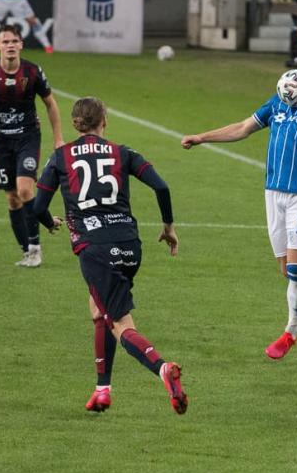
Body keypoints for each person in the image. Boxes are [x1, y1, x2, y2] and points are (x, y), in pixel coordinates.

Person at [180, 59, 297, 360]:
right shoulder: (281, 101)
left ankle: (291, 332)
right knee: (288, 270)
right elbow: (243, 128)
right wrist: (202, 137)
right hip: (273, 192)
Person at [32, 96, 188, 414]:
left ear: (76, 123)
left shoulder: (61, 156)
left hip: (95, 249)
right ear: (105, 120)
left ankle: (162, 368)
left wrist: (50, 223)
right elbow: (162, 187)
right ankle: (102, 390)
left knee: (118, 322)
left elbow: (37, 207)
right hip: (129, 245)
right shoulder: (123, 152)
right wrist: (168, 227)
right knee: (98, 310)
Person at [0, 24, 63, 267]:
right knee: (12, 199)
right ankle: (27, 249)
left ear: (21, 44)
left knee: (25, 190)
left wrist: (58, 138)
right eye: (5, 41)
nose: (10, 45)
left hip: (28, 136)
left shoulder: (32, 71)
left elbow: (50, 104)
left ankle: (36, 249)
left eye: (14, 41)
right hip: (0, 140)